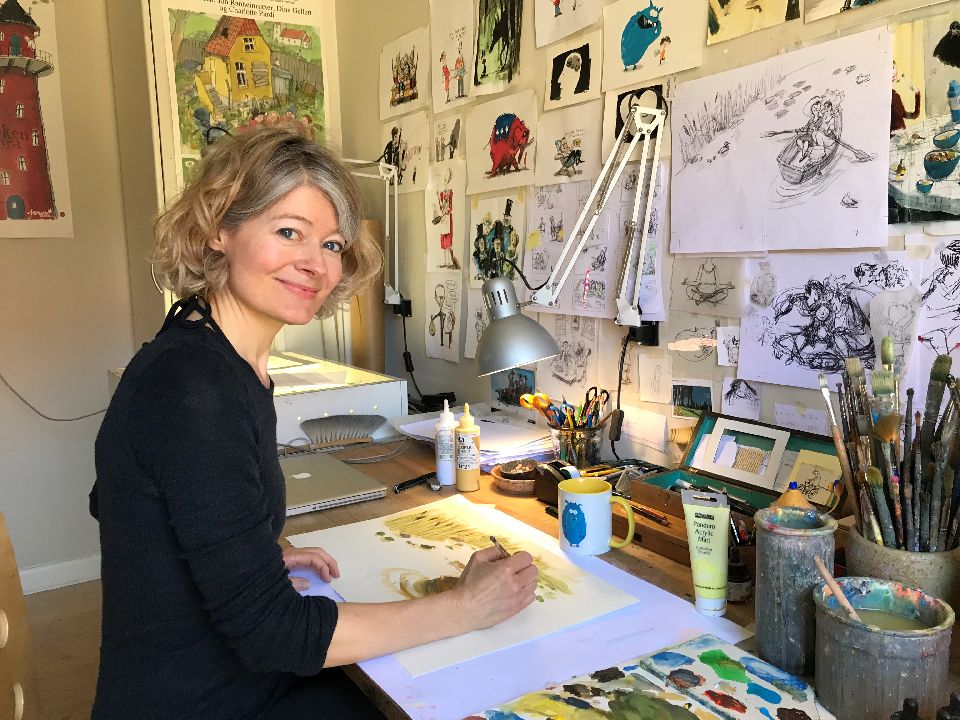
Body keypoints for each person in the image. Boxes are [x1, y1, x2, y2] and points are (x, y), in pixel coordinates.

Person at [89, 125, 538, 720]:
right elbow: (275, 635)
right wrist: (464, 608)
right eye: (288, 232)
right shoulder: (195, 386)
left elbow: (140, 514)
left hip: (227, 681)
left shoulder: (213, 353)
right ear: (220, 228)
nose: (314, 263)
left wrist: (249, 558)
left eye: (331, 244)